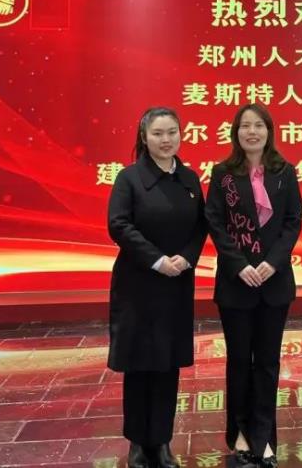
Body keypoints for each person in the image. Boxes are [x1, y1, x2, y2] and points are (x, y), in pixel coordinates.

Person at [107, 107, 207, 468]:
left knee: (167, 364)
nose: (166, 140)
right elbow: (119, 225)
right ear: (144, 137)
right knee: (139, 364)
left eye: (172, 133)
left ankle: (162, 441)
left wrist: (187, 258)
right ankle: (138, 442)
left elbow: (201, 226)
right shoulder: (129, 178)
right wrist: (157, 260)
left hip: (176, 284)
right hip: (138, 284)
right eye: (158, 134)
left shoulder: (189, 178)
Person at [205, 104, 302, 468]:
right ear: (236, 133)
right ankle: (240, 434)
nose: (252, 132)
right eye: (245, 126)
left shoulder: (284, 172)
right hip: (236, 283)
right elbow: (215, 222)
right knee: (238, 362)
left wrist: (272, 263)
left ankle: (264, 438)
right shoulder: (223, 173)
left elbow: (292, 222)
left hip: (274, 283)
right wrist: (240, 265)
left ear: (268, 131)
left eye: (258, 125)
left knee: (267, 362)